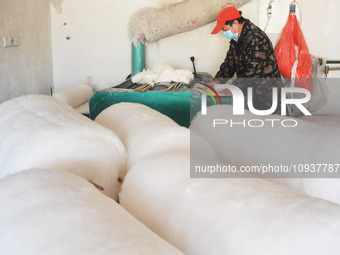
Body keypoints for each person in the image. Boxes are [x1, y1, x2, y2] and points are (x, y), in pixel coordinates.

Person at [211, 7, 282, 113]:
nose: (225, 33)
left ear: (235, 23)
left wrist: (232, 89)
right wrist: (217, 81)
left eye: (225, 30)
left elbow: (251, 73)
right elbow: (229, 64)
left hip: (267, 94)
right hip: (250, 94)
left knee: (267, 125)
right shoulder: (237, 38)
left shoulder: (256, 38)